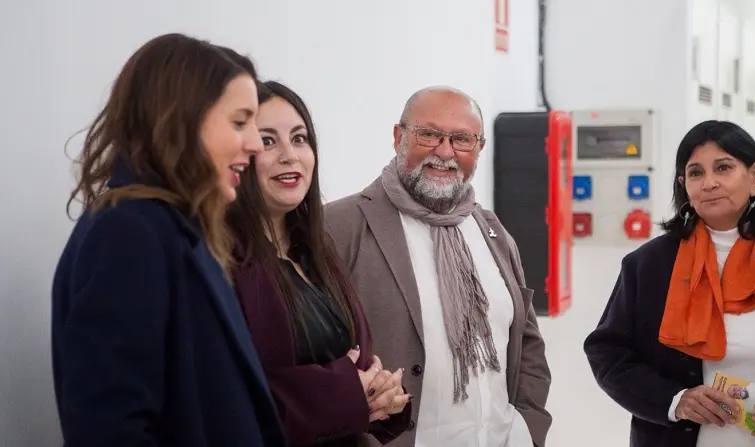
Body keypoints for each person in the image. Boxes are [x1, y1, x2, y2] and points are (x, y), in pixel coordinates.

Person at [51, 34, 286, 446]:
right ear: (181, 120)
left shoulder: (169, 229)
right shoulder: (128, 233)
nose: (254, 143)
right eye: (238, 121)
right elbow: (110, 428)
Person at [583, 120, 755, 447]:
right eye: (696, 173)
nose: (709, 183)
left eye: (723, 168)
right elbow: (608, 353)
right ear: (684, 184)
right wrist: (674, 400)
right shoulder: (648, 265)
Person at [324, 86, 553, 447]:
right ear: (399, 137)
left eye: (461, 139)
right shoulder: (339, 227)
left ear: (478, 149)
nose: (444, 152)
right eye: (428, 134)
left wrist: (526, 428)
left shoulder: (492, 232)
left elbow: (526, 342)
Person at [228, 80, 412, 446]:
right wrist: (347, 393)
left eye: (299, 139)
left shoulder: (313, 250)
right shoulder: (223, 258)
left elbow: (353, 363)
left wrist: (379, 395)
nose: (289, 155)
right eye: (268, 141)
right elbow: (229, 395)